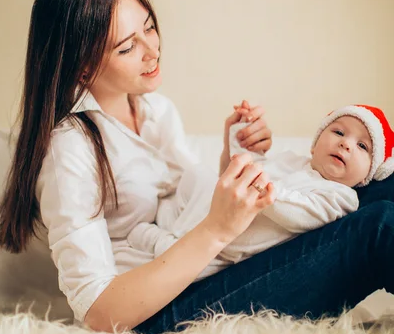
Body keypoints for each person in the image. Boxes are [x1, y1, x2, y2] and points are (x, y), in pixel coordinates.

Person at [0, 0, 394, 334]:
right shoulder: (69, 148)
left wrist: (234, 154)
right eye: (128, 47)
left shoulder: (155, 110)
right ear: (81, 69)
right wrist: (219, 228)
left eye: (149, 28)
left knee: (382, 181)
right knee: (377, 227)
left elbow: (191, 202)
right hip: (155, 312)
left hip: (206, 262)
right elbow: (99, 312)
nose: (152, 51)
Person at [126, 105, 394, 263]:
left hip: (228, 250)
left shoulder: (341, 197)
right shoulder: (294, 161)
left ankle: (163, 240)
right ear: (314, 146)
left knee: (164, 243)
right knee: (197, 175)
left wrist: (260, 186)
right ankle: (166, 221)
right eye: (338, 131)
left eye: (362, 146)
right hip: (214, 215)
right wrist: (239, 137)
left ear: (366, 177)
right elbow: (245, 166)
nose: (346, 143)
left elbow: (301, 214)